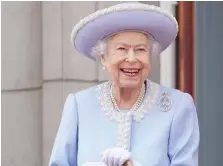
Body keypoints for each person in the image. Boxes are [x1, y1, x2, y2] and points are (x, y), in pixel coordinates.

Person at [49, 2, 199, 166]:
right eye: (122, 49)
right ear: (104, 58)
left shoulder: (178, 107)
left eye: (140, 50)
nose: (132, 59)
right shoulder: (79, 105)